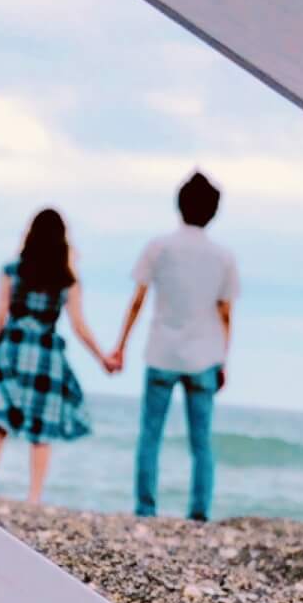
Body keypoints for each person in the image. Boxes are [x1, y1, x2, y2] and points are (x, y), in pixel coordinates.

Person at [109, 171, 238, 521]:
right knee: (202, 442)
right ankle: (199, 512)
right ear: (213, 212)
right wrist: (223, 359)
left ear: (179, 205)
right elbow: (225, 313)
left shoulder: (159, 247)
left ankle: (145, 508)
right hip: (204, 355)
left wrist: (120, 346)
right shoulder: (223, 257)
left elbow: (137, 300)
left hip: (162, 351)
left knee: (151, 436)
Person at [0, 208, 119, 504]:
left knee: (1, 421)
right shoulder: (67, 279)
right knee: (41, 431)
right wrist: (102, 358)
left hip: (12, 349)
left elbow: (0, 315)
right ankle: (34, 497)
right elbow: (79, 326)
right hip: (45, 354)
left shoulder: (11, 270)